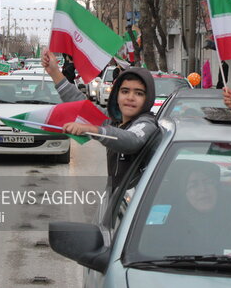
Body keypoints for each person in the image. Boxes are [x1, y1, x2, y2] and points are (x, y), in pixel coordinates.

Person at [41, 50, 159, 190]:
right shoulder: (114, 120)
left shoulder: (147, 123)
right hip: (115, 202)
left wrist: (93, 129)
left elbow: (131, 140)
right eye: (125, 91)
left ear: (148, 97)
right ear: (117, 94)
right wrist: (54, 72)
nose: (130, 97)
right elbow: (80, 104)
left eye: (139, 93)